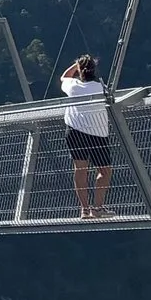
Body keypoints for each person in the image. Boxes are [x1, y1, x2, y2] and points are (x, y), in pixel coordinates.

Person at [60, 55, 113, 219]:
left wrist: (76, 65)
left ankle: (84, 209)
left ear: (80, 71)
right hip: (98, 133)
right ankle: (97, 208)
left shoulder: (73, 86)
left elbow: (64, 77)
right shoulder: (101, 88)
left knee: (80, 169)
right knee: (105, 171)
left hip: (75, 131)